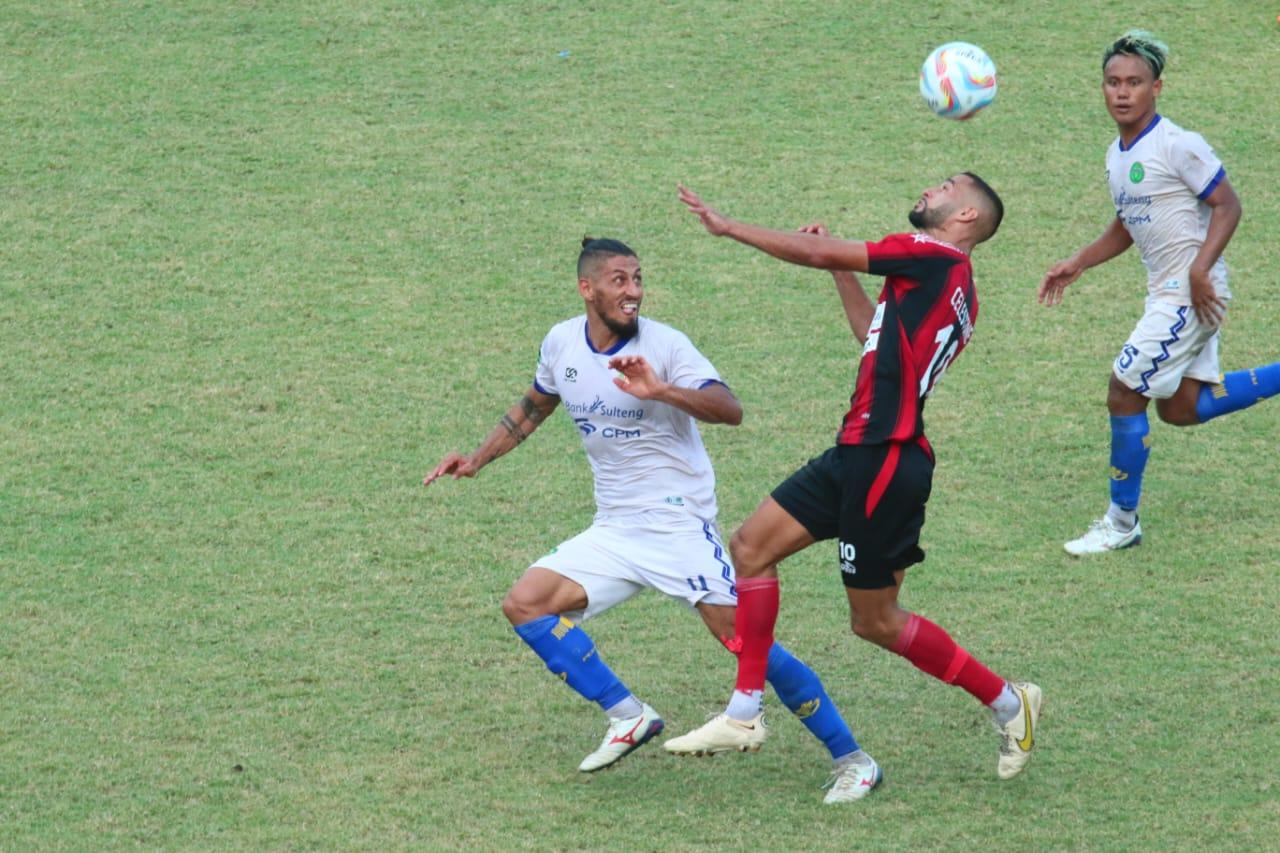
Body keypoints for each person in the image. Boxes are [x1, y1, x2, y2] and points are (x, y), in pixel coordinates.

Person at [425, 237, 876, 803]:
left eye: (638, 279)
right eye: (619, 280)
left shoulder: (665, 346)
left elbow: (729, 409)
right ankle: (628, 715)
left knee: (746, 643)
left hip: (676, 524)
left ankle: (854, 760)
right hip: (615, 527)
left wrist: (661, 389)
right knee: (526, 604)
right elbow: (535, 405)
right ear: (587, 288)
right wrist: (476, 459)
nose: (633, 291)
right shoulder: (561, 343)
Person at [664, 176, 1042, 789]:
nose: (928, 188)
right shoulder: (954, 286)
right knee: (751, 547)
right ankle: (744, 712)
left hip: (885, 459)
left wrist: (730, 226)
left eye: (944, 186)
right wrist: (842, 277)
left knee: (875, 620)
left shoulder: (930, 254)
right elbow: (875, 335)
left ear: (966, 213)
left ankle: (1007, 702)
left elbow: (818, 249)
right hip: (859, 452)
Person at [1039, 30, 1280, 555]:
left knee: (1124, 390)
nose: (1122, 92)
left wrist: (1200, 269)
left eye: (1134, 82)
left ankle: (1121, 522)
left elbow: (1228, 205)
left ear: (1157, 88)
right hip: (1171, 292)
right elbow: (1127, 225)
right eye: (1112, 82)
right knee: (1181, 408)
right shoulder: (1117, 155)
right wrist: (1078, 261)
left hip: (1189, 293)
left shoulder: (1178, 143)